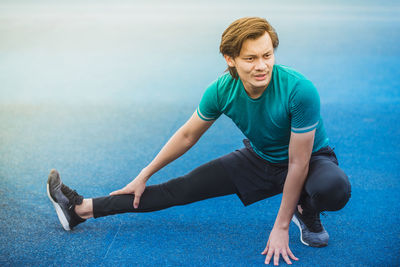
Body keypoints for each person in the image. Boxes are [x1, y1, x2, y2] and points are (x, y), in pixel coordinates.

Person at [47, 17, 351, 266]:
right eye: (250, 58)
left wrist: (281, 225)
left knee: (333, 188)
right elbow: (188, 135)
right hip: (261, 159)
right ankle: (80, 210)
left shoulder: (300, 90)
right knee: (179, 189)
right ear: (230, 59)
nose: (261, 66)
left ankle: (304, 209)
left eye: (267, 55)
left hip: (310, 161)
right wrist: (144, 174)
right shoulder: (221, 90)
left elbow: (298, 162)